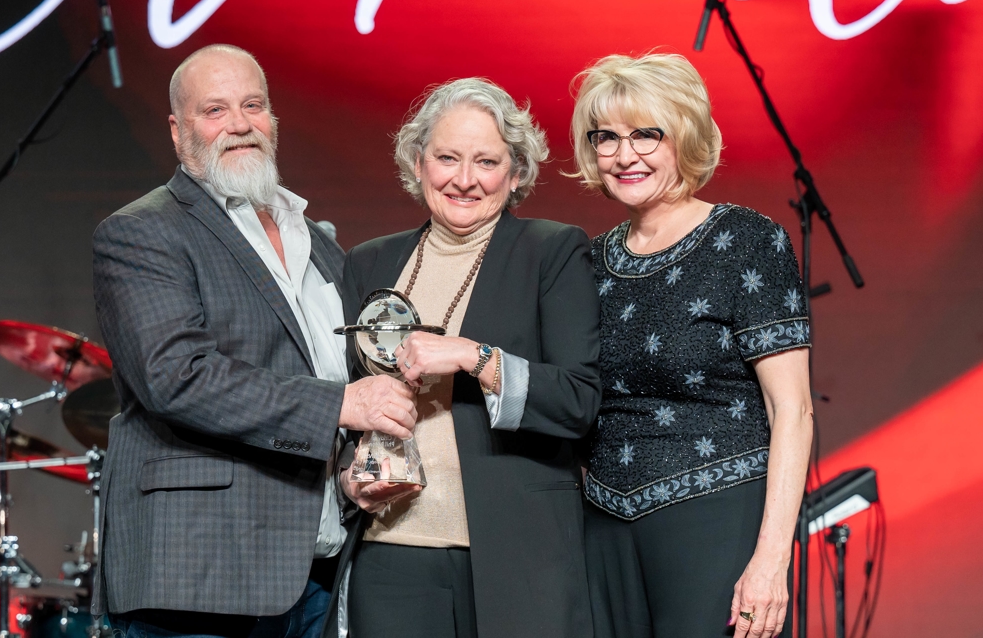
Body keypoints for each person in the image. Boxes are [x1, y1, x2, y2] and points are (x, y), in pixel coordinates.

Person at [90, 44, 418, 638]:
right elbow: (177, 377)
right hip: (200, 577)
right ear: (176, 129)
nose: (239, 124)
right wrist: (343, 405)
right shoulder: (142, 232)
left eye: (253, 105)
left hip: (316, 566)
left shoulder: (315, 239)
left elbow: (333, 367)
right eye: (214, 109)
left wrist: (350, 472)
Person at [331, 78, 602, 638]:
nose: (464, 179)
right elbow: (343, 398)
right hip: (390, 553)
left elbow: (579, 401)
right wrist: (347, 479)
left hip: (516, 554)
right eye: (447, 158)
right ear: (418, 161)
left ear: (517, 171)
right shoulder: (368, 263)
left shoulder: (551, 251)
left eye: (486, 161)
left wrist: (473, 356)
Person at [570, 53, 813, 638]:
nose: (624, 155)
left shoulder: (746, 241)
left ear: (685, 134)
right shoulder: (588, 262)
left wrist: (771, 561)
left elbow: (794, 412)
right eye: (605, 138)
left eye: (645, 134)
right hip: (602, 531)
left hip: (718, 521)